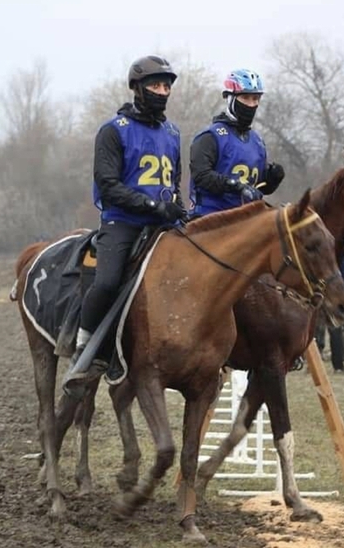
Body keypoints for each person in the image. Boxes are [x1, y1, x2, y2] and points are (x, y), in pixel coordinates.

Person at [68, 55, 187, 382]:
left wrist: (175, 205)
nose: (162, 91)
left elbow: (172, 180)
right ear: (137, 88)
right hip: (123, 221)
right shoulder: (113, 131)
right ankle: (84, 345)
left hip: (164, 223)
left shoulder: (173, 132)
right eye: (155, 85)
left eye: (166, 86)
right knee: (106, 282)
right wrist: (153, 207)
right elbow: (109, 187)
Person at [189, 69, 285, 216]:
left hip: (246, 219)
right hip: (210, 218)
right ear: (230, 98)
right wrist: (233, 185)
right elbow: (201, 176)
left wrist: (272, 179)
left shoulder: (257, 141)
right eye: (245, 98)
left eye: (255, 99)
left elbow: (258, 188)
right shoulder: (210, 136)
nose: (251, 104)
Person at [315, 253, 344, 374]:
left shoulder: (317, 250)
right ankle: (338, 367)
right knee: (335, 329)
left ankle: (314, 366)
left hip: (317, 294)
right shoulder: (338, 252)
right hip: (335, 296)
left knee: (314, 331)